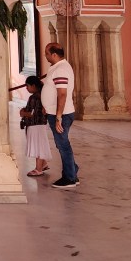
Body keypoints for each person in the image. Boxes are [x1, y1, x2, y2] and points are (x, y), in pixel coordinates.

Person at [41, 43, 79, 189]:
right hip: (55, 112)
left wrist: (58, 117)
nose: (45, 56)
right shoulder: (57, 67)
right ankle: (73, 171)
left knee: (63, 145)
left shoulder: (61, 69)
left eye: (47, 53)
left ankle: (69, 178)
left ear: (54, 54)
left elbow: (62, 94)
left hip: (61, 114)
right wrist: (47, 106)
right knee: (62, 144)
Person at [20, 76, 50, 177]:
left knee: (38, 147)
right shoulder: (41, 95)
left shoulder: (34, 97)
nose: (26, 88)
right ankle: (43, 164)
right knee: (39, 145)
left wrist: (23, 113)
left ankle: (38, 169)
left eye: (27, 86)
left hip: (35, 125)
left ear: (33, 86)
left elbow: (33, 113)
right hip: (40, 125)